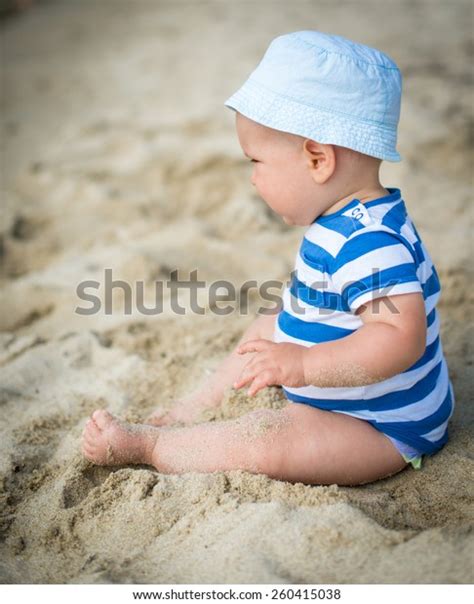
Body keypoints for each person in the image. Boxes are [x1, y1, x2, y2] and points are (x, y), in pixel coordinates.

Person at [82, 31, 455, 486]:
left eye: (256, 161)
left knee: (267, 437)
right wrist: (290, 345)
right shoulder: (349, 217)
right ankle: (196, 406)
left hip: (378, 426)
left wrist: (301, 366)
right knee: (268, 323)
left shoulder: (368, 241)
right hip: (341, 388)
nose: (253, 179)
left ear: (318, 160)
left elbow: (400, 337)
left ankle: (154, 447)